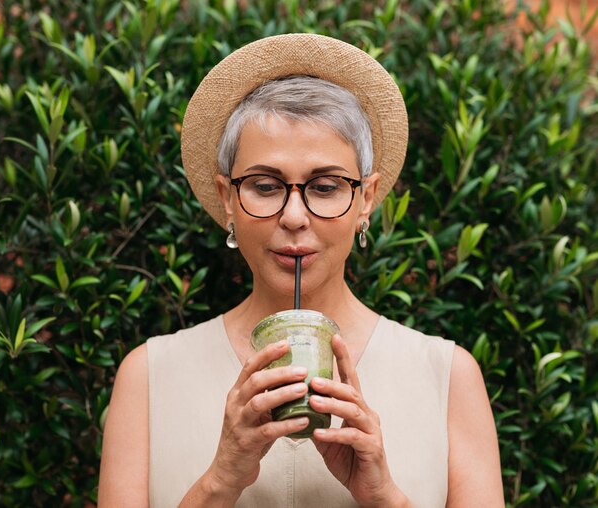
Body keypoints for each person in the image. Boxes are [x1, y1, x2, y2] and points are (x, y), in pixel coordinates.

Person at [98, 34, 504, 507]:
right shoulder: (148, 377)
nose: (294, 215)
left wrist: (383, 496)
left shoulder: (447, 377)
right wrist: (220, 480)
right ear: (228, 197)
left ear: (366, 199)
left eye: (326, 186)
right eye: (266, 186)